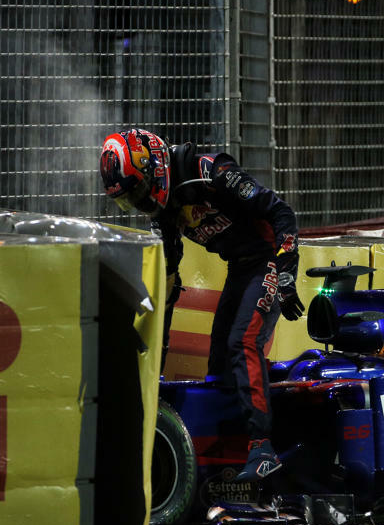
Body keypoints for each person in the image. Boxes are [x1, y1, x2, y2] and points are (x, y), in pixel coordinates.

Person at [99, 128, 304, 483]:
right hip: (240, 269)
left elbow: (281, 213)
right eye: (129, 198)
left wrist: (286, 272)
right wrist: (153, 364)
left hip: (268, 260)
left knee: (242, 342)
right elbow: (168, 284)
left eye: (138, 188)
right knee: (218, 365)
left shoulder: (211, 171)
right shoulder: (164, 215)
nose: (140, 200)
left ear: (154, 166)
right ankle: (227, 451)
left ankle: (263, 449)